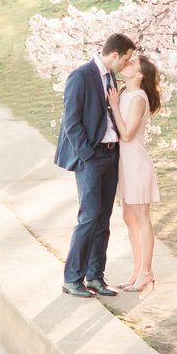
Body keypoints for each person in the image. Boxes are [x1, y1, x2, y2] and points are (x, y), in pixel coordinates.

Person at [53, 33, 137, 298]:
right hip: (90, 157)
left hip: (111, 156)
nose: (127, 64)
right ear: (115, 55)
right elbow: (71, 122)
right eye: (126, 59)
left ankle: (95, 277)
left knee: (103, 219)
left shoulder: (111, 77)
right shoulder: (81, 76)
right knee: (88, 217)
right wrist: (87, 155)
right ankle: (72, 278)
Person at [106, 50, 161, 292]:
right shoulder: (124, 93)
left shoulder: (138, 97)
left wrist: (115, 106)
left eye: (132, 63)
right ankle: (136, 271)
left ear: (139, 74)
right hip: (124, 166)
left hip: (136, 165)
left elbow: (127, 134)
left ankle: (146, 272)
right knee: (129, 220)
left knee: (141, 220)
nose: (126, 64)